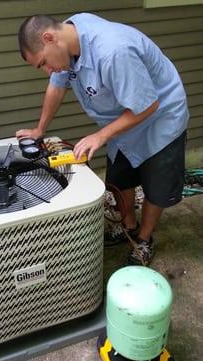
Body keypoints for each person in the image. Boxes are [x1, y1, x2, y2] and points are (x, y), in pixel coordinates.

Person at [16, 13, 189, 265]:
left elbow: (147, 105)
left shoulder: (112, 51)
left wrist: (101, 135)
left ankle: (143, 239)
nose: (48, 71)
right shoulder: (68, 37)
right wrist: (39, 129)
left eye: (43, 62)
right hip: (124, 118)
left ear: (49, 38)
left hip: (160, 118)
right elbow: (57, 85)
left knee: (157, 187)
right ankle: (129, 226)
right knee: (121, 178)